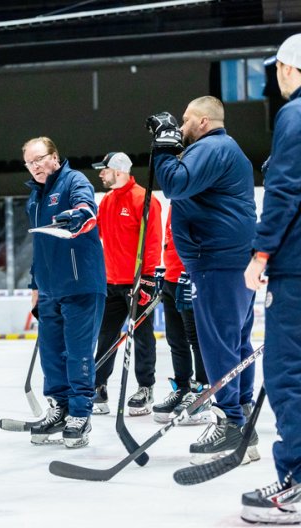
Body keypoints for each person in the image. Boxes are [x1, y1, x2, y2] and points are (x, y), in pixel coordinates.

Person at [147, 96, 259, 465]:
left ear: (203, 122)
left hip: (216, 258)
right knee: (236, 341)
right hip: (231, 258)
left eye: (185, 121)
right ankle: (242, 422)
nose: (180, 128)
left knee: (217, 344)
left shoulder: (211, 146)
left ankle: (228, 425)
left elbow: (176, 184)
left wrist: (164, 150)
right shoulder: (225, 149)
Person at [241, 33, 301, 524]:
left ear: (288, 69)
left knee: (289, 375)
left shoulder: (295, 116)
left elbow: (282, 191)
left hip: (298, 270)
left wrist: (261, 254)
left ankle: (298, 484)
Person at [23, 136, 106, 449]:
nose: (36, 167)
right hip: (49, 289)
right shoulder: (35, 198)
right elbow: (38, 247)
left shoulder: (74, 181)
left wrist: (79, 215)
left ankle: (80, 413)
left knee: (77, 352)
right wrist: (35, 286)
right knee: (51, 354)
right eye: (30, 163)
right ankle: (59, 408)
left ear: (54, 156)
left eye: (40, 159)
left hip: (80, 283)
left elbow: (87, 208)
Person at [91, 152, 162, 416]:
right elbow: (96, 235)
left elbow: (153, 243)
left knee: (142, 337)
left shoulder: (144, 200)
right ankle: (98, 385)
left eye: (104, 170)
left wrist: (147, 279)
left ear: (118, 171)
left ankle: (146, 387)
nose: (100, 174)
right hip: (110, 283)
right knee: (105, 335)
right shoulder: (107, 201)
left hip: (138, 283)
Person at [152, 206, 210, 424]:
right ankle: (183, 387)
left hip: (191, 277)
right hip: (172, 278)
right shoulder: (176, 201)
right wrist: (164, 269)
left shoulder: (196, 196)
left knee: (197, 339)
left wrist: (194, 270)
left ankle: (203, 391)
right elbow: (170, 238)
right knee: (175, 340)